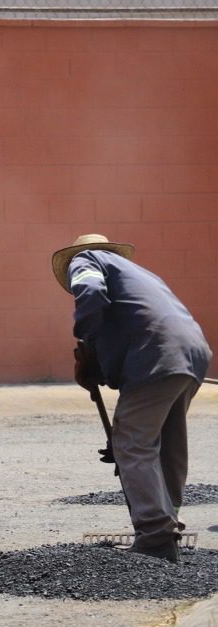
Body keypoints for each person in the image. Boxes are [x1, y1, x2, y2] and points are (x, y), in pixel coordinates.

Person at [53, 234, 210, 563]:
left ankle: (155, 535)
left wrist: (86, 344)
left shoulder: (86, 261)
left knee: (132, 443)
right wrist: (102, 366)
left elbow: (91, 293)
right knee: (167, 442)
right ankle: (168, 520)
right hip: (190, 351)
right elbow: (131, 321)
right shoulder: (138, 274)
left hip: (156, 355)